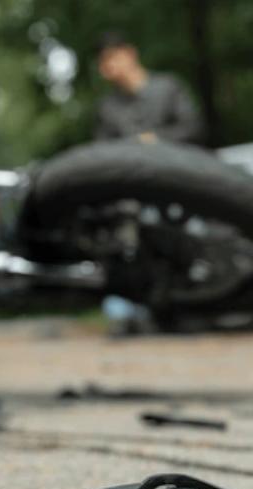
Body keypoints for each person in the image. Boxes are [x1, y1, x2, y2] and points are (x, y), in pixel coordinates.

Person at [94, 32, 204, 336]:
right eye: (102, 63)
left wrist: (154, 141)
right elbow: (100, 152)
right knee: (123, 244)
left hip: (175, 187)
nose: (107, 69)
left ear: (129, 54)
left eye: (110, 59)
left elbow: (192, 127)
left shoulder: (168, 89)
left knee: (179, 243)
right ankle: (124, 312)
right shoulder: (108, 108)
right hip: (131, 196)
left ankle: (181, 306)